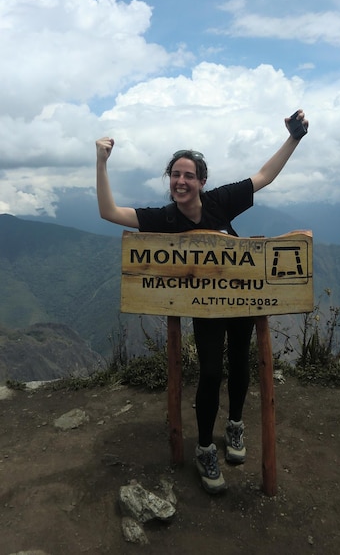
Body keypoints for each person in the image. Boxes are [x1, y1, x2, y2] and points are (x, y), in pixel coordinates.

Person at [95, 109, 309, 494]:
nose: (180, 181)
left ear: (201, 181)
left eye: (188, 175)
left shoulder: (220, 202)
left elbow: (264, 176)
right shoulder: (164, 219)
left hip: (243, 300)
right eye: (175, 175)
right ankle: (206, 447)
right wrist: (101, 162)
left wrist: (294, 138)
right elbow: (109, 213)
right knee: (211, 373)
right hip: (206, 307)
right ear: (169, 180)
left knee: (240, 366)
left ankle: (236, 426)